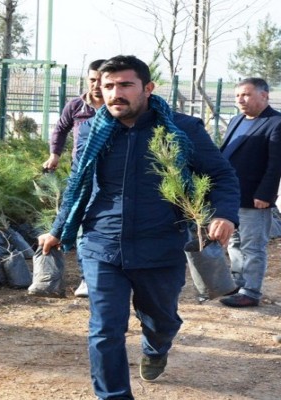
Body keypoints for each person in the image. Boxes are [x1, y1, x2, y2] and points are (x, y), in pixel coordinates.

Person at [36, 55, 239, 399]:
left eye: (126, 85)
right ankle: (114, 395)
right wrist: (58, 229)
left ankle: (156, 348)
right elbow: (78, 183)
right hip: (103, 244)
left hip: (160, 246)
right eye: (109, 85)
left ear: (147, 88)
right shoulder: (91, 130)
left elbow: (220, 175)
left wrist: (224, 213)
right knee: (104, 330)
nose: (116, 93)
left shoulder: (181, 129)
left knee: (162, 321)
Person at [42, 58, 106, 298]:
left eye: (101, 81)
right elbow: (60, 128)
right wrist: (54, 155)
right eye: (92, 80)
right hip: (81, 173)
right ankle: (86, 279)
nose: (97, 86)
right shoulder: (77, 106)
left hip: (110, 175)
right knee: (81, 222)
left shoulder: (115, 107)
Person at [218, 78, 281, 308]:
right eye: (237, 96)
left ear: (264, 95)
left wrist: (266, 194)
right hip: (231, 195)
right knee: (234, 241)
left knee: (253, 246)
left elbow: (276, 164)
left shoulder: (275, 123)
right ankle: (238, 283)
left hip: (255, 197)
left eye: (246, 95)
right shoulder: (236, 120)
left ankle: (251, 291)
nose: (240, 100)